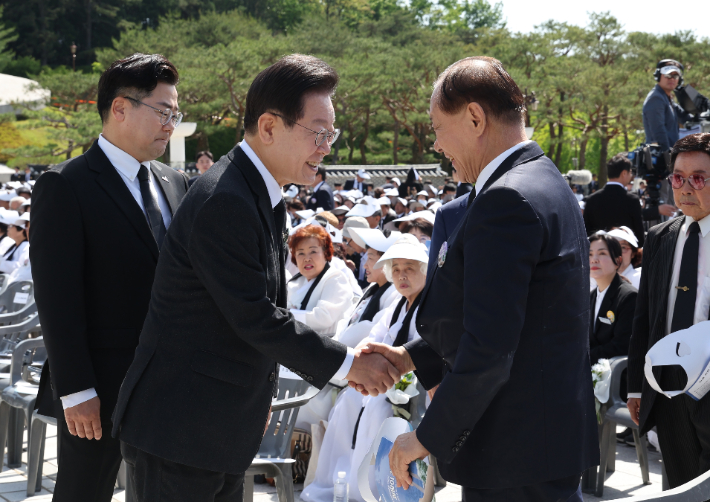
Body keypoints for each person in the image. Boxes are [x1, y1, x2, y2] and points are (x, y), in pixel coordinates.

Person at [112, 54, 399, 502]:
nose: (327, 147)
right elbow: (256, 316)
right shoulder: (225, 199)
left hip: (216, 427)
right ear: (269, 127)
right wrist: (348, 364)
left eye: (332, 133)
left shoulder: (259, 193)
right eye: (318, 132)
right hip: (181, 431)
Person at [361, 56, 597, 500]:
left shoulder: (506, 198)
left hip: (516, 447)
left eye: (436, 128)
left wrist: (426, 436)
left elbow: (491, 347)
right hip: (542, 441)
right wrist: (411, 357)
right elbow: (514, 318)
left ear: (474, 117)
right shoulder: (543, 179)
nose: (435, 145)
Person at [29, 53, 189, 502]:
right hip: (99, 386)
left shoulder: (174, 181)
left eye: (175, 113)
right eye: (163, 111)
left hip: (172, 380)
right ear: (120, 108)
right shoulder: (66, 185)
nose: (170, 124)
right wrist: (76, 389)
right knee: (84, 491)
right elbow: (58, 300)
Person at [302, 234, 428, 502]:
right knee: (348, 400)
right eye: (396, 270)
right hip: (384, 377)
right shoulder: (396, 305)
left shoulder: (430, 306)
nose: (402, 276)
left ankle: (368, 490)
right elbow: (374, 339)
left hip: (415, 382)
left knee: (376, 406)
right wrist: (362, 368)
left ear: (424, 271)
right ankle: (337, 481)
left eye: (409, 269)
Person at [627, 133, 710, 489]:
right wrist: (634, 387)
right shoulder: (660, 237)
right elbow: (644, 319)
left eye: (699, 178)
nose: (686, 187)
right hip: (667, 385)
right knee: (679, 487)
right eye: (678, 177)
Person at [335, 227, 402, 347]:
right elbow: (349, 318)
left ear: (388, 262)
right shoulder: (373, 287)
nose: (365, 265)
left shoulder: (396, 293)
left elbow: (374, 329)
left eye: (370, 258)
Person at [287, 224, 354, 337]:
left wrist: (288, 314)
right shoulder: (295, 281)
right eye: (300, 253)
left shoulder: (335, 278)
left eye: (313, 252)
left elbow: (323, 318)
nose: (307, 258)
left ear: (326, 253)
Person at [588, 232, 638, 365]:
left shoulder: (629, 297)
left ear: (618, 261)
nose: (594, 259)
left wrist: (582, 357)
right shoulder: (590, 297)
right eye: (590, 254)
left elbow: (622, 345)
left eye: (602, 253)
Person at [583, 153, 645, 247]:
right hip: (624, 256)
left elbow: (586, 233)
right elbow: (639, 237)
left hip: (598, 255)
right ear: (624, 173)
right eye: (630, 172)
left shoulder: (591, 199)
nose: (630, 175)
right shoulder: (632, 200)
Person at [643, 60, 694, 153]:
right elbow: (658, 131)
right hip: (661, 157)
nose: (672, 79)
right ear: (659, 76)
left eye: (675, 76)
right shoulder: (656, 98)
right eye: (668, 75)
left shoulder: (667, 98)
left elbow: (686, 118)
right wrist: (669, 155)